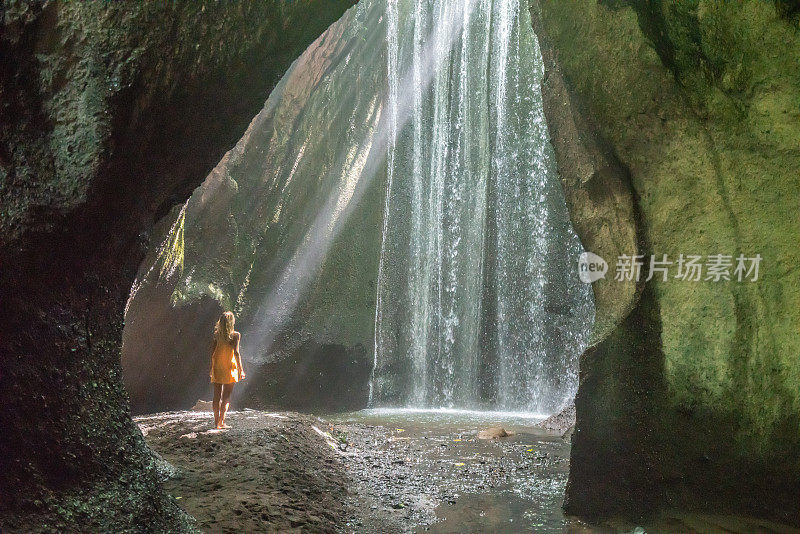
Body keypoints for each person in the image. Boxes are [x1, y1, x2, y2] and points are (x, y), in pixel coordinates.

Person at [209, 311, 244, 429]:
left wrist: (211, 368)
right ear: (231, 322)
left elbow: (212, 353)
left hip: (218, 366)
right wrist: (241, 370)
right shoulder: (236, 335)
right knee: (226, 396)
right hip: (230, 367)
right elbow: (237, 353)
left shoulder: (216, 335)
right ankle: (221, 422)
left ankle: (215, 422)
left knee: (216, 395)